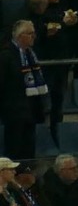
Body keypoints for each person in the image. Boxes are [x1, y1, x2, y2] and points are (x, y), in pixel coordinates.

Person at [0, 20, 48, 161]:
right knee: (15, 151)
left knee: (29, 151)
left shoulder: (31, 54)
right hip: (13, 112)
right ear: (20, 36)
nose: (34, 37)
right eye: (30, 34)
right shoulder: (6, 55)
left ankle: (27, 179)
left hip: (30, 110)